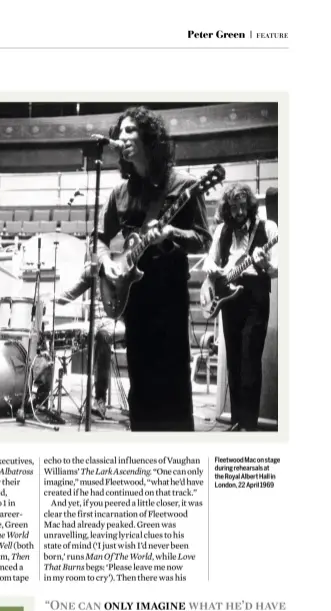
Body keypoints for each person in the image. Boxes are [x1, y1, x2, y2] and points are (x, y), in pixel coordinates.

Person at [97, 106, 211, 431]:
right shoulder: (119, 193)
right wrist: (108, 263)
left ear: (150, 137)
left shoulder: (184, 184)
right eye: (120, 133)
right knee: (141, 388)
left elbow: (202, 238)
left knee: (172, 387)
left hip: (169, 297)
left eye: (131, 131)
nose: (123, 138)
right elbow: (100, 239)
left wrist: (171, 233)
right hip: (135, 299)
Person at [203, 183, 278, 431]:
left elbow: (276, 270)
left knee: (249, 358)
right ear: (227, 209)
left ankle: (249, 424)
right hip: (228, 298)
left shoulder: (268, 228)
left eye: (242, 206)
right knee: (234, 361)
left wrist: (265, 263)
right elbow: (210, 263)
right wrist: (213, 277)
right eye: (233, 207)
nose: (238, 212)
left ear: (250, 205)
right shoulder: (223, 230)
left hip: (255, 297)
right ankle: (236, 421)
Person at [53, 281, 125, 418]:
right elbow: (71, 293)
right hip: (95, 323)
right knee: (76, 334)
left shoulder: (120, 267)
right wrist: (53, 297)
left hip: (116, 322)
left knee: (102, 336)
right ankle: (44, 394)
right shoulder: (91, 269)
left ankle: (100, 399)